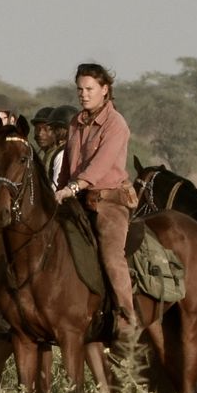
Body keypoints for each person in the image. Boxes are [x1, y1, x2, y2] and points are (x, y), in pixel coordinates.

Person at [54, 63, 137, 331]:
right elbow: (68, 163)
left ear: (105, 90)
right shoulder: (75, 122)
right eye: (80, 89)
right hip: (75, 197)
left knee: (112, 256)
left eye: (89, 89)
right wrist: (60, 189)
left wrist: (74, 187)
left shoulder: (117, 124)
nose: (83, 94)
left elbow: (100, 165)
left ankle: (126, 320)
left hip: (109, 199)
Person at [45, 105, 78, 189]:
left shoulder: (62, 154)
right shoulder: (76, 149)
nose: (51, 134)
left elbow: (55, 187)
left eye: (55, 129)